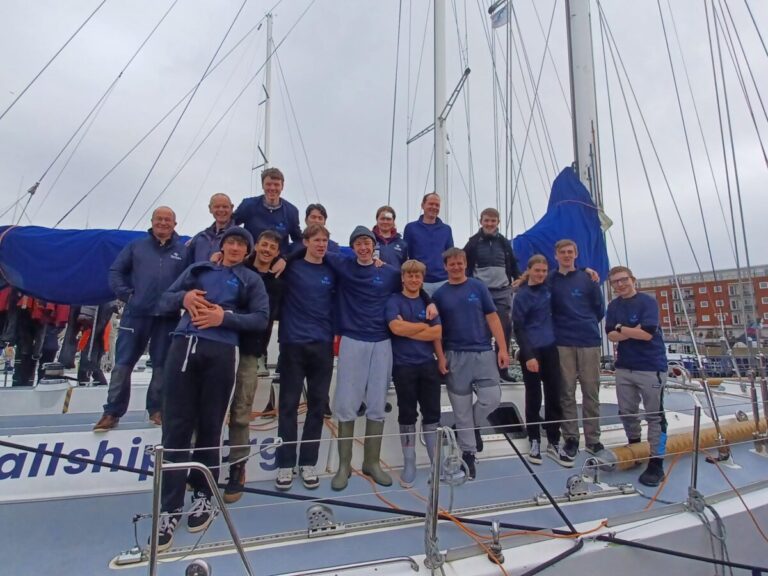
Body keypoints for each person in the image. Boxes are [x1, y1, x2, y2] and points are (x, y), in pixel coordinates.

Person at [153, 227, 269, 551]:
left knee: (211, 426)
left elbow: (260, 318)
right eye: (230, 242)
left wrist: (224, 317)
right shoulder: (199, 269)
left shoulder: (250, 280)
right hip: (184, 345)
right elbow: (164, 299)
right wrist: (185, 298)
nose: (234, 247)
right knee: (176, 428)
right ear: (222, 245)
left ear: (246, 251)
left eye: (240, 244)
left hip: (220, 350)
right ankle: (169, 508)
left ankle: (205, 494)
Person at [93, 206, 187, 431]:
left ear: (175, 224)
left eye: (168, 220)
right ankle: (112, 412)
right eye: (159, 219)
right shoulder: (136, 247)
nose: (163, 223)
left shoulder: (183, 251)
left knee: (162, 367)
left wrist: (179, 299)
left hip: (167, 316)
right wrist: (127, 295)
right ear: (152, 221)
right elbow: (115, 272)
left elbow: (190, 278)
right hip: (136, 314)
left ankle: (157, 410)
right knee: (123, 365)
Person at [326, 226, 401, 490]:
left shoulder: (389, 272)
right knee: (346, 401)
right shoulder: (344, 265)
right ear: (353, 247)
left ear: (374, 246)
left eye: (367, 242)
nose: (364, 247)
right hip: (352, 339)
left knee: (377, 402)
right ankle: (344, 465)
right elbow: (313, 245)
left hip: (382, 341)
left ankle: (371, 463)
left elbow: (413, 284)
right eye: (358, 243)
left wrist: (429, 300)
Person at [432, 247, 509, 480]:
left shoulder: (478, 287)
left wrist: (503, 348)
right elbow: (436, 330)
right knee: (461, 410)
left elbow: (493, 317)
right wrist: (441, 356)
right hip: (455, 355)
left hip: (483, 352)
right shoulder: (440, 294)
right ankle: (469, 454)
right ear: (445, 266)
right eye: (451, 264)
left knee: (491, 399)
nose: (456, 267)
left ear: (465, 264)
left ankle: (470, 429)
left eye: (460, 263)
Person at [272, 224, 337, 491]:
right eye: (316, 240)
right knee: (288, 405)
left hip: (322, 344)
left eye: (325, 240)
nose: (321, 245)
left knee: (317, 406)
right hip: (292, 343)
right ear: (306, 242)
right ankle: (285, 464)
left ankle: (308, 462)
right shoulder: (291, 267)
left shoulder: (332, 271)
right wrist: (288, 257)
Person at [224, 230, 285, 502]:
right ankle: (202, 463)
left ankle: (238, 468)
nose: (267, 250)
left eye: (273, 247)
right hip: (222, 345)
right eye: (264, 245)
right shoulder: (233, 271)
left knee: (241, 410)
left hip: (251, 351)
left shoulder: (277, 282)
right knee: (211, 407)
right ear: (255, 247)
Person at [606, 265, 668, 487]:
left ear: (633, 279)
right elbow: (611, 335)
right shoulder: (613, 306)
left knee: (655, 416)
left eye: (623, 280)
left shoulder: (647, 302)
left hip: (651, 367)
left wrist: (622, 328)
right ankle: (635, 446)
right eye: (615, 282)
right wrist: (630, 330)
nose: (620, 285)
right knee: (626, 412)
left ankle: (656, 462)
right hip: (624, 367)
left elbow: (647, 334)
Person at [386, 259, 445, 487]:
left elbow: (438, 332)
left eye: (418, 276)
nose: (413, 279)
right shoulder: (393, 301)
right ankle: (409, 463)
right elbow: (395, 328)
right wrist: (423, 328)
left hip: (427, 365)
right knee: (407, 414)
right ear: (403, 278)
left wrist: (409, 329)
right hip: (403, 366)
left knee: (432, 415)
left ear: (422, 278)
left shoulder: (428, 304)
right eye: (409, 275)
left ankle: (435, 462)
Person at [512, 255, 573, 468]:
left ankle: (554, 441)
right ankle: (534, 439)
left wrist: (588, 272)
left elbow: (567, 269)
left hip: (550, 348)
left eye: (543, 271)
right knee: (534, 396)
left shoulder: (548, 287)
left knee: (554, 395)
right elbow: (518, 327)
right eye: (536, 270)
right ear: (529, 270)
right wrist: (528, 355)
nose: (540, 274)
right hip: (532, 350)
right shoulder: (522, 295)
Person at [549, 239, 605, 459]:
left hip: (588, 340)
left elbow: (599, 308)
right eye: (562, 252)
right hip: (563, 341)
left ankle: (593, 439)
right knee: (567, 392)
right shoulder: (550, 280)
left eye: (570, 252)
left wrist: (586, 322)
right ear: (556, 255)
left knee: (591, 391)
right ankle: (571, 437)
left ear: (576, 254)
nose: (566, 255)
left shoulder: (588, 279)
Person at [463, 207, 520, 382]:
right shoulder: (472, 243)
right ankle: (482, 371)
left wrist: (518, 279)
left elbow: (513, 264)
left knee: (503, 332)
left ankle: (502, 371)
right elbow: (464, 265)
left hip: (502, 291)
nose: (489, 224)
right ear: (481, 221)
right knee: (481, 333)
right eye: (486, 220)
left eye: (493, 221)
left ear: (498, 223)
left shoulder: (504, 243)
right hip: (480, 293)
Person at [233, 167, 301, 254]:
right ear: (262, 185)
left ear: (282, 186)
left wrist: (286, 258)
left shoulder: (291, 211)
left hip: (277, 262)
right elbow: (230, 226)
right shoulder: (248, 205)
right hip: (250, 260)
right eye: (268, 184)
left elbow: (298, 241)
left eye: (276, 185)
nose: (272, 188)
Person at [404, 193, 453, 295]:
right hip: (420, 281)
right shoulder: (411, 228)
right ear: (423, 205)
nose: (434, 207)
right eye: (431, 204)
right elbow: (407, 255)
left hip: (443, 281)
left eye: (437, 205)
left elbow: (450, 255)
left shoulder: (446, 229)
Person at [186, 193, 237, 263]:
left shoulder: (239, 237)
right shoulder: (200, 237)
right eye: (217, 207)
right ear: (210, 209)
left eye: (225, 207)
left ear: (231, 208)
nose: (221, 210)